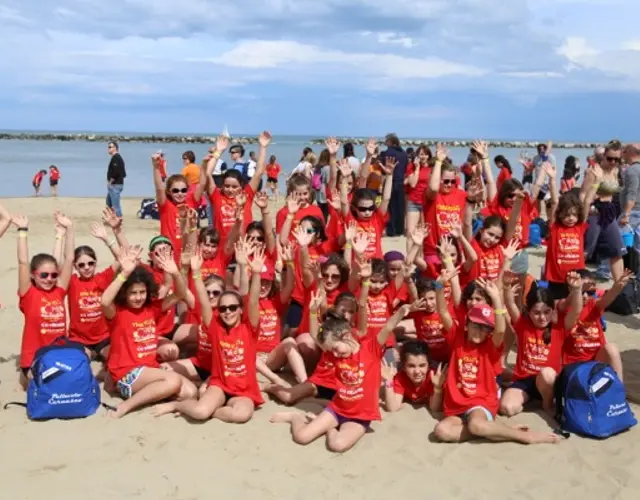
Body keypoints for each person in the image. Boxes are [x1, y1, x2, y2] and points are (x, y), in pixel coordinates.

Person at [13, 212, 75, 389]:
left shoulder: (59, 291)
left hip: (58, 355)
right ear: (34, 275)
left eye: (54, 275)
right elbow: (23, 262)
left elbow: (69, 258)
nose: (49, 279)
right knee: (43, 385)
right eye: (44, 275)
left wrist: (69, 228)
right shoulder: (29, 294)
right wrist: (22, 231)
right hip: (34, 357)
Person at [379, 133, 408, 237]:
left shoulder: (386, 153)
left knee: (390, 206)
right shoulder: (404, 153)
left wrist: (381, 184)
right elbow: (405, 168)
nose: (385, 142)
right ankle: (400, 229)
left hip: (390, 181)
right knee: (400, 207)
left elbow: (382, 170)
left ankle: (391, 229)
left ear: (390, 142)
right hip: (400, 182)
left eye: (386, 140)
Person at [620, 143, 640, 277]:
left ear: (631, 153)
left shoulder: (632, 170)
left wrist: (626, 214)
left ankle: (606, 271)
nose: (622, 154)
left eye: (625, 151)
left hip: (633, 212)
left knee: (616, 241)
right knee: (638, 245)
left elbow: (632, 194)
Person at [106, 141, 126, 218]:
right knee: (109, 203)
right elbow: (123, 173)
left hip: (115, 185)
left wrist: (110, 182)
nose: (108, 149)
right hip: (116, 184)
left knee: (115, 205)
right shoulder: (116, 158)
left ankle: (119, 219)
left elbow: (116, 172)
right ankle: (111, 218)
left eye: (110, 147)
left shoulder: (116, 158)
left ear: (115, 148)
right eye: (108, 147)